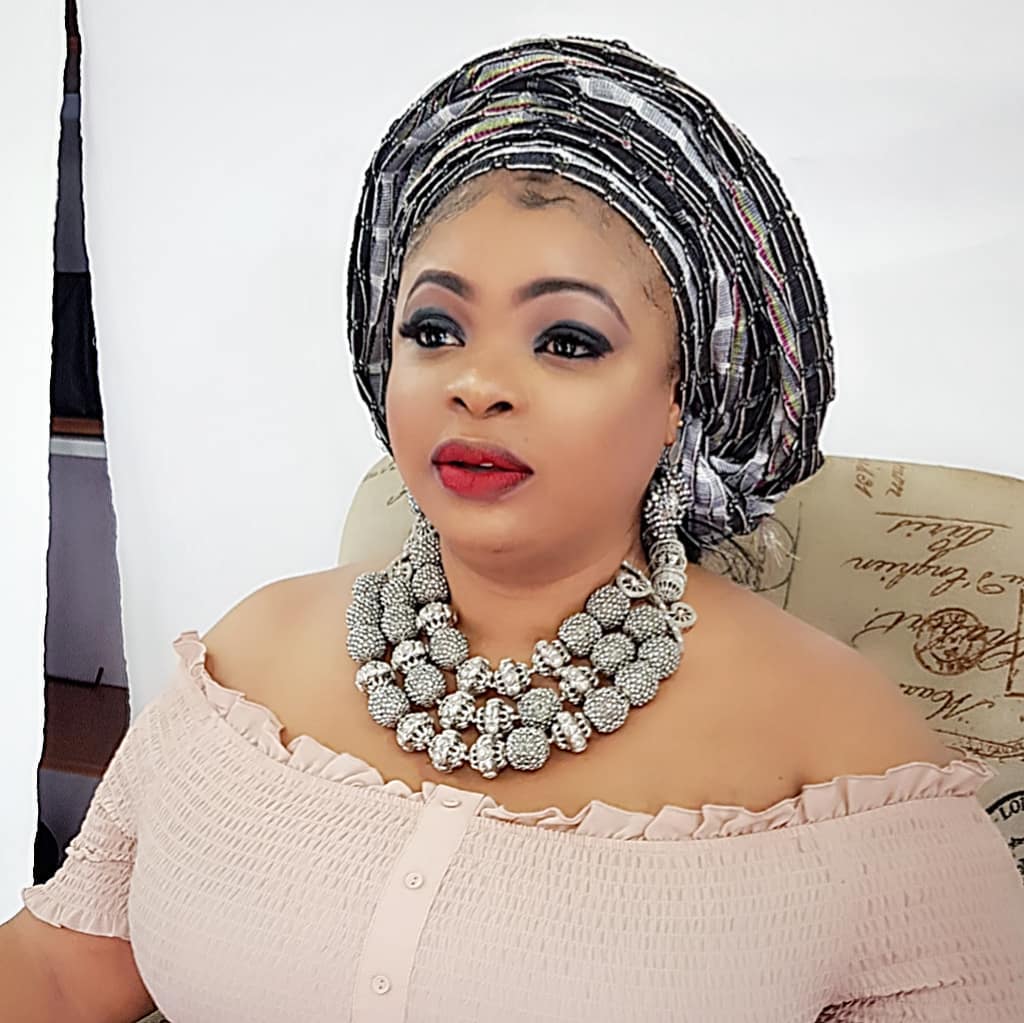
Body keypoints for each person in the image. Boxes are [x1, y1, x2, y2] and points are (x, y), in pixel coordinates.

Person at [3, 35, 1022, 1023]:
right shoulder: (245, 662)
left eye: (567, 341)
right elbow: (63, 971)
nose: (477, 383)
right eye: (433, 329)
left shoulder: (839, 749)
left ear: (685, 393)